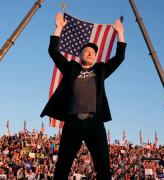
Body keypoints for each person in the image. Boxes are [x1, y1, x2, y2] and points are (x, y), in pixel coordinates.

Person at [40, 12, 126, 180]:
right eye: (86, 51)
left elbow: (119, 57)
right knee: (62, 167)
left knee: (103, 167)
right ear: (80, 56)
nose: (89, 53)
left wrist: (120, 34)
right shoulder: (71, 68)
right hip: (72, 123)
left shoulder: (100, 70)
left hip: (95, 122)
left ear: (95, 58)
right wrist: (58, 28)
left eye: (92, 53)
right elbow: (53, 52)